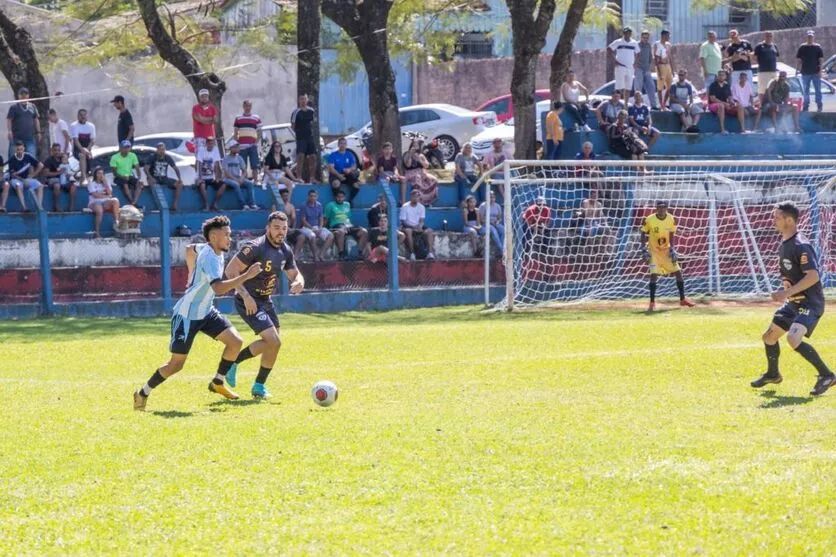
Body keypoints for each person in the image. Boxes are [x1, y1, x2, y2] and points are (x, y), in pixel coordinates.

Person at [133, 215, 264, 411]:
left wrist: (191, 272)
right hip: (187, 316)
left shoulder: (207, 248)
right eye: (226, 235)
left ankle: (218, 382)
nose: (230, 239)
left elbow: (189, 249)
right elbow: (219, 289)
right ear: (213, 236)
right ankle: (142, 392)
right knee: (176, 365)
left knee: (235, 341)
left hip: (206, 311)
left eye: (230, 234)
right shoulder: (210, 257)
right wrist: (247, 275)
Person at [750, 201, 835, 396]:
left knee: (793, 337)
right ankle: (773, 374)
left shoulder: (800, 244)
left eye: (777, 217)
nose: (774, 221)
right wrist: (788, 295)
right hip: (794, 303)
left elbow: (813, 276)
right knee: (769, 337)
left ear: (789, 220)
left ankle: (827, 375)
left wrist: (785, 293)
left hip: (810, 303)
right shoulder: (785, 244)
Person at [222, 212, 305, 400]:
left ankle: (257, 384)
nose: (280, 232)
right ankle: (242, 370)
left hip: (265, 300)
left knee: (272, 345)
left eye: (284, 228)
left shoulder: (285, 250)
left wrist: (300, 282)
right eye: (276, 228)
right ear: (268, 228)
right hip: (248, 301)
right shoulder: (255, 247)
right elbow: (230, 270)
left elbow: (295, 274)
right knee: (274, 341)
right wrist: (245, 296)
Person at [640, 200, 695, 311]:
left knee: (678, 272)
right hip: (653, 251)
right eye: (659, 207)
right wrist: (643, 249)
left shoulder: (671, 219)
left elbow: (671, 234)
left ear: (666, 208)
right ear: (656, 208)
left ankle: (682, 299)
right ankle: (652, 303)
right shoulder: (649, 219)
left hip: (666, 251)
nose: (661, 209)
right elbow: (642, 232)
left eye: (664, 207)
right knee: (654, 275)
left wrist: (672, 249)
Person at [325, 189, 368, 259]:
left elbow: (348, 217)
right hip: (337, 225)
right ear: (335, 197)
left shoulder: (347, 204)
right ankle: (341, 254)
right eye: (338, 197)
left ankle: (359, 253)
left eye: (342, 197)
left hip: (348, 225)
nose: (340, 198)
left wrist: (347, 225)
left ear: (344, 197)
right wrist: (325, 228)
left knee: (364, 232)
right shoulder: (330, 205)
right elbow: (326, 218)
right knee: (341, 231)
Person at [143, 142, 184, 211]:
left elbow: (175, 168)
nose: (161, 151)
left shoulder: (167, 157)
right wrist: (150, 177)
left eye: (163, 149)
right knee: (151, 182)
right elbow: (145, 169)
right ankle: (157, 205)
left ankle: (174, 204)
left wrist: (179, 178)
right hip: (154, 177)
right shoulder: (152, 157)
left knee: (179, 184)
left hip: (164, 178)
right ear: (157, 150)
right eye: (160, 150)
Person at [5, 140, 43, 212]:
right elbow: (13, 175)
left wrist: (32, 175)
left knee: (40, 186)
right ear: (15, 149)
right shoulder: (12, 159)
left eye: (21, 149)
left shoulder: (28, 156)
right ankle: (24, 207)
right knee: (18, 185)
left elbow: (41, 165)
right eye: (18, 149)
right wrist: (22, 180)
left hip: (26, 179)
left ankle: (39, 207)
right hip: (15, 180)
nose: (19, 151)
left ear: (24, 148)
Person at [298, 188, 334, 261]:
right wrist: (312, 228)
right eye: (311, 196)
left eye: (314, 196)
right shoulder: (303, 206)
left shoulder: (319, 205)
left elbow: (321, 218)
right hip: (306, 227)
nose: (313, 198)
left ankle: (321, 254)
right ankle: (315, 256)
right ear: (308, 197)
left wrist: (320, 227)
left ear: (317, 197)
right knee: (313, 236)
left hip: (317, 227)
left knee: (330, 235)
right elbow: (303, 220)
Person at [399, 189, 436, 261]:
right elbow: (403, 221)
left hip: (417, 226)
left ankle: (430, 253)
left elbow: (422, 220)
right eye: (414, 197)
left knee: (430, 231)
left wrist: (420, 226)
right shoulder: (405, 206)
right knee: (409, 231)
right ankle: (412, 253)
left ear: (419, 198)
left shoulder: (421, 207)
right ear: (411, 197)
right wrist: (413, 227)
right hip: (407, 226)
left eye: (417, 197)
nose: (415, 198)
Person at [222, 141, 258, 210]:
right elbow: (226, 173)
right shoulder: (225, 159)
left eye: (237, 147)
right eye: (235, 147)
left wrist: (241, 178)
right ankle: (243, 205)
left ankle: (252, 203)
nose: (237, 148)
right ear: (231, 148)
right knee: (236, 184)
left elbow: (244, 171)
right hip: (227, 179)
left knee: (249, 183)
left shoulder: (239, 158)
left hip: (238, 178)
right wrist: (236, 179)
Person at [6, 87, 40, 160]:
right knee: (13, 157)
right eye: (22, 94)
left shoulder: (33, 106)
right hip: (16, 137)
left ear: (28, 95)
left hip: (30, 138)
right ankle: (12, 171)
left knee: (32, 158)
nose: (24, 96)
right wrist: (9, 131)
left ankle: (32, 171)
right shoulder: (14, 107)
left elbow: (36, 119)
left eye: (25, 94)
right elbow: (9, 120)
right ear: (18, 96)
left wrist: (38, 132)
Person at [42, 143, 78, 212]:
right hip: (53, 179)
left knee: (74, 187)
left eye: (58, 150)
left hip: (64, 179)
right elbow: (46, 173)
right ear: (52, 151)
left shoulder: (63, 159)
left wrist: (68, 175)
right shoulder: (49, 160)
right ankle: (56, 206)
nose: (57, 152)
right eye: (55, 150)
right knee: (57, 185)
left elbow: (69, 169)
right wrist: (59, 173)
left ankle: (71, 207)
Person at [291, 93, 318, 183]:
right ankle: (299, 177)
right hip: (300, 138)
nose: (303, 101)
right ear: (299, 101)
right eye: (301, 99)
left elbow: (313, 123)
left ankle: (312, 178)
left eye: (304, 99)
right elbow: (293, 125)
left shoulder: (311, 111)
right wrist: (299, 133)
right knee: (301, 156)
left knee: (313, 156)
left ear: (307, 100)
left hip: (310, 137)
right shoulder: (296, 112)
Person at [87, 167, 121, 238]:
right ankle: (97, 233)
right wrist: (107, 196)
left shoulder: (106, 183)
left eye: (102, 173)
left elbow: (110, 193)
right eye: (99, 173)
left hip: (105, 203)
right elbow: (95, 195)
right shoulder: (91, 183)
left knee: (115, 200)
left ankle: (116, 223)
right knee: (99, 210)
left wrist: (105, 183)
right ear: (95, 175)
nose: (101, 175)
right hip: (94, 203)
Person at [233, 99, 262, 181]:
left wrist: (256, 143)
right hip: (242, 146)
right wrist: (237, 144)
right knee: (243, 166)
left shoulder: (256, 118)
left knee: (255, 165)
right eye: (246, 106)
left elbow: (259, 132)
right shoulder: (238, 118)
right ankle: (245, 182)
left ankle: (256, 181)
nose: (248, 107)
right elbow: (235, 133)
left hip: (252, 146)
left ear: (251, 107)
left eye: (249, 106)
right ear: (243, 106)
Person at [403, 139, 438, 206]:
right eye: (414, 145)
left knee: (434, 180)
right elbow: (408, 165)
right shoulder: (406, 154)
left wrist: (419, 159)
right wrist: (410, 155)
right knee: (417, 179)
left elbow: (427, 165)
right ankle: (420, 202)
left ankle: (428, 201)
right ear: (411, 146)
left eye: (416, 145)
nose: (415, 147)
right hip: (410, 173)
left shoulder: (421, 155)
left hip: (422, 173)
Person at [608, 26, 640, 100]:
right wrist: (615, 60)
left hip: (630, 67)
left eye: (629, 32)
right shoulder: (618, 42)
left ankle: (625, 105)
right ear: (623, 33)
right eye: (626, 32)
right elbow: (609, 49)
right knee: (619, 87)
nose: (627, 34)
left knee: (628, 87)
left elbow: (638, 53)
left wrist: (635, 63)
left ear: (631, 33)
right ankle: (619, 102)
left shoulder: (634, 43)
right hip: (620, 66)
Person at [796, 30, 824, 113]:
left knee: (818, 90)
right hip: (805, 72)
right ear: (806, 37)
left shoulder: (818, 47)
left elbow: (821, 60)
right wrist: (797, 70)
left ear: (814, 37)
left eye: (811, 37)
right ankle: (805, 106)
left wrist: (820, 71)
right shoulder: (802, 47)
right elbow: (799, 60)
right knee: (806, 90)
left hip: (816, 72)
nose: (810, 38)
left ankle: (819, 106)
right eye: (809, 36)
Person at [110, 140, 144, 208]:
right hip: (119, 176)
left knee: (140, 184)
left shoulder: (133, 155)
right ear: (121, 148)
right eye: (125, 147)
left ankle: (134, 201)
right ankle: (131, 201)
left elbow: (137, 168)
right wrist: (122, 176)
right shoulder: (114, 157)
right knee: (125, 183)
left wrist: (139, 178)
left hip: (129, 176)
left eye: (128, 147)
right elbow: (114, 172)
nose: (126, 149)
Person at [327, 137, 361, 202]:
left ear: (346, 145)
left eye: (344, 144)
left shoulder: (350, 154)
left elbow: (354, 166)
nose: (342, 145)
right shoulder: (333, 155)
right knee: (336, 183)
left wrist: (349, 169)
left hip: (347, 175)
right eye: (341, 143)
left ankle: (350, 201)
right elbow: (331, 168)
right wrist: (339, 175)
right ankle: (337, 201)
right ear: (338, 145)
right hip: (335, 175)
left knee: (357, 185)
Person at [195, 137, 224, 211]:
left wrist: (217, 177)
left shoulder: (215, 151)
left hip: (211, 177)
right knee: (202, 185)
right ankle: (206, 205)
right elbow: (200, 164)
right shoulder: (201, 150)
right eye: (209, 143)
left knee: (223, 185)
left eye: (212, 143)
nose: (211, 145)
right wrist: (200, 177)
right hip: (203, 177)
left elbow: (217, 165)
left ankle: (215, 204)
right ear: (206, 144)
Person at [521, 195, 551, 260]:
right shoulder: (530, 210)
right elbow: (529, 224)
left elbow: (546, 223)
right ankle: (525, 252)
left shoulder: (547, 210)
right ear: (536, 204)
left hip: (539, 223)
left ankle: (545, 251)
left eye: (543, 204)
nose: (541, 206)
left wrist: (542, 230)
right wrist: (537, 229)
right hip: (528, 222)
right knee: (527, 234)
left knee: (547, 233)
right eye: (539, 204)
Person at [70, 108, 96, 185]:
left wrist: (87, 150)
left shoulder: (91, 126)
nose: (82, 116)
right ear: (78, 116)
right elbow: (76, 140)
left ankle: (83, 181)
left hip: (88, 151)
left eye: (84, 115)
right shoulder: (74, 125)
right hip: (77, 150)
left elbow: (93, 140)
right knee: (82, 156)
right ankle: (84, 177)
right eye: (80, 115)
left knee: (87, 169)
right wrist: (83, 150)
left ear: (87, 116)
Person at [707, 70, 735, 135]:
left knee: (739, 106)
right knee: (721, 106)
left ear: (725, 77)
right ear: (717, 76)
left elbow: (730, 96)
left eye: (723, 75)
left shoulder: (726, 85)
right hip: (713, 105)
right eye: (719, 75)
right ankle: (722, 129)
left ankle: (743, 129)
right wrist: (725, 103)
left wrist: (732, 102)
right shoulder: (713, 85)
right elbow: (712, 99)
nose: (721, 77)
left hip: (724, 104)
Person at [753, 32, 780, 102]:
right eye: (767, 36)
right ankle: (761, 104)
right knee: (762, 89)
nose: (769, 38)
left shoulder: (774, 46)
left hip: (773, 70)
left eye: (770, 36)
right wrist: (761, 64)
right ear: (764, 37)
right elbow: (754, 57)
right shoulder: (759, 46)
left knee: (773, 88)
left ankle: (772, 104)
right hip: (763, 71)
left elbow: (776, 56)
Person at [479, 191, 504, 259]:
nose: (492, 199)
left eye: (493, 197)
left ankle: (501, 250)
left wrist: (497, 222)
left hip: (495, 223)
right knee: (493, 230)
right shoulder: (483, 206)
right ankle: (502, 250)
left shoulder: (497, 206)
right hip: (485, 224)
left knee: (503, 229)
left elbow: (499, 218)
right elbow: (481, 220)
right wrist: (490, 222)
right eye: (490, 197)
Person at [653, 30, 674, 110]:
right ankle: (662, 105)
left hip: (668, 66)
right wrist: (658, 71)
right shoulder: (657, 44)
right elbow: (655, 58)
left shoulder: (669, 45)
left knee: (670, 87)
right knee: (660, 87)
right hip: (661, 66)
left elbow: (670, 57)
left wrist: (672, 69)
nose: (669, 37)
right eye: (668, 35)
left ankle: (664, 104)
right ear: (663, 35)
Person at [192, 89, 218, 154]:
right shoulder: (195, 108)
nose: (204, 98)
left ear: (208, 97)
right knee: (200, 157)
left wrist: (204, 119)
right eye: (202, 96)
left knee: (211, 156)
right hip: (199, 136)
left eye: (206, 96)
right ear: (199, 97)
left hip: (210, 137)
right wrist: (210, 119)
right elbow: (200, 120)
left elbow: (215, 120)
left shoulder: (212, 108)